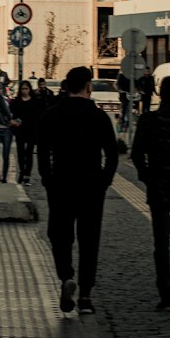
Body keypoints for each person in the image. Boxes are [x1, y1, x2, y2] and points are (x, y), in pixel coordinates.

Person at [37, 64, 118, 315]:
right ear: (88, 87)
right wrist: (104, 180)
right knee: (89, 239)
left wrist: (47, 178)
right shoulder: (99, 117)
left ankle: (65, 276)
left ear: (66, 87)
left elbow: (42, 152)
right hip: (91, 186)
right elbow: (112, 154)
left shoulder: (51, 115)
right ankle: (85, 295)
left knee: (59, 234)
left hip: (61, 184)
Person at [131, 75, 170, 310]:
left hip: (158, 189)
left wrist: (146, 177)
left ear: (159, 94)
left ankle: (166, 293)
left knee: (161, 243)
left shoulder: (149, 120)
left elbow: (137, 154)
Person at [12, 79, 43, 185]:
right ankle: (22, 171)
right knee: (21, 153)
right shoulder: (17, 101)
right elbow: (13, 114)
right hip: (20, 129)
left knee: (29, 153)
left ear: (29, 89)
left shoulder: (35, 101)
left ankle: (27, 174)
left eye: (26, 88)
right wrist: (15, 122)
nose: (24, 91)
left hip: (31, 130)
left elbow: (38, 116)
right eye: (22, 89)